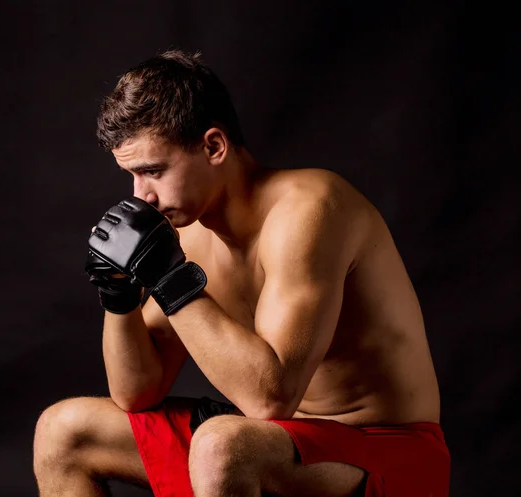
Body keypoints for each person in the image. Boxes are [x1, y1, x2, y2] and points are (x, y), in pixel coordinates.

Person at [32, 49, 450, 497]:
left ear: (214, 146)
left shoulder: (310, 209)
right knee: (64, 431)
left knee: (221, 443)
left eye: (153, 171)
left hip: (386, 451)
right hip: (274, 442)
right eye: (131, 176)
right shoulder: (189, 236)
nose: (142, 197)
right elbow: (137, 393)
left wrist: (170, 280)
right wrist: (118, 297)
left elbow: (270, 399)